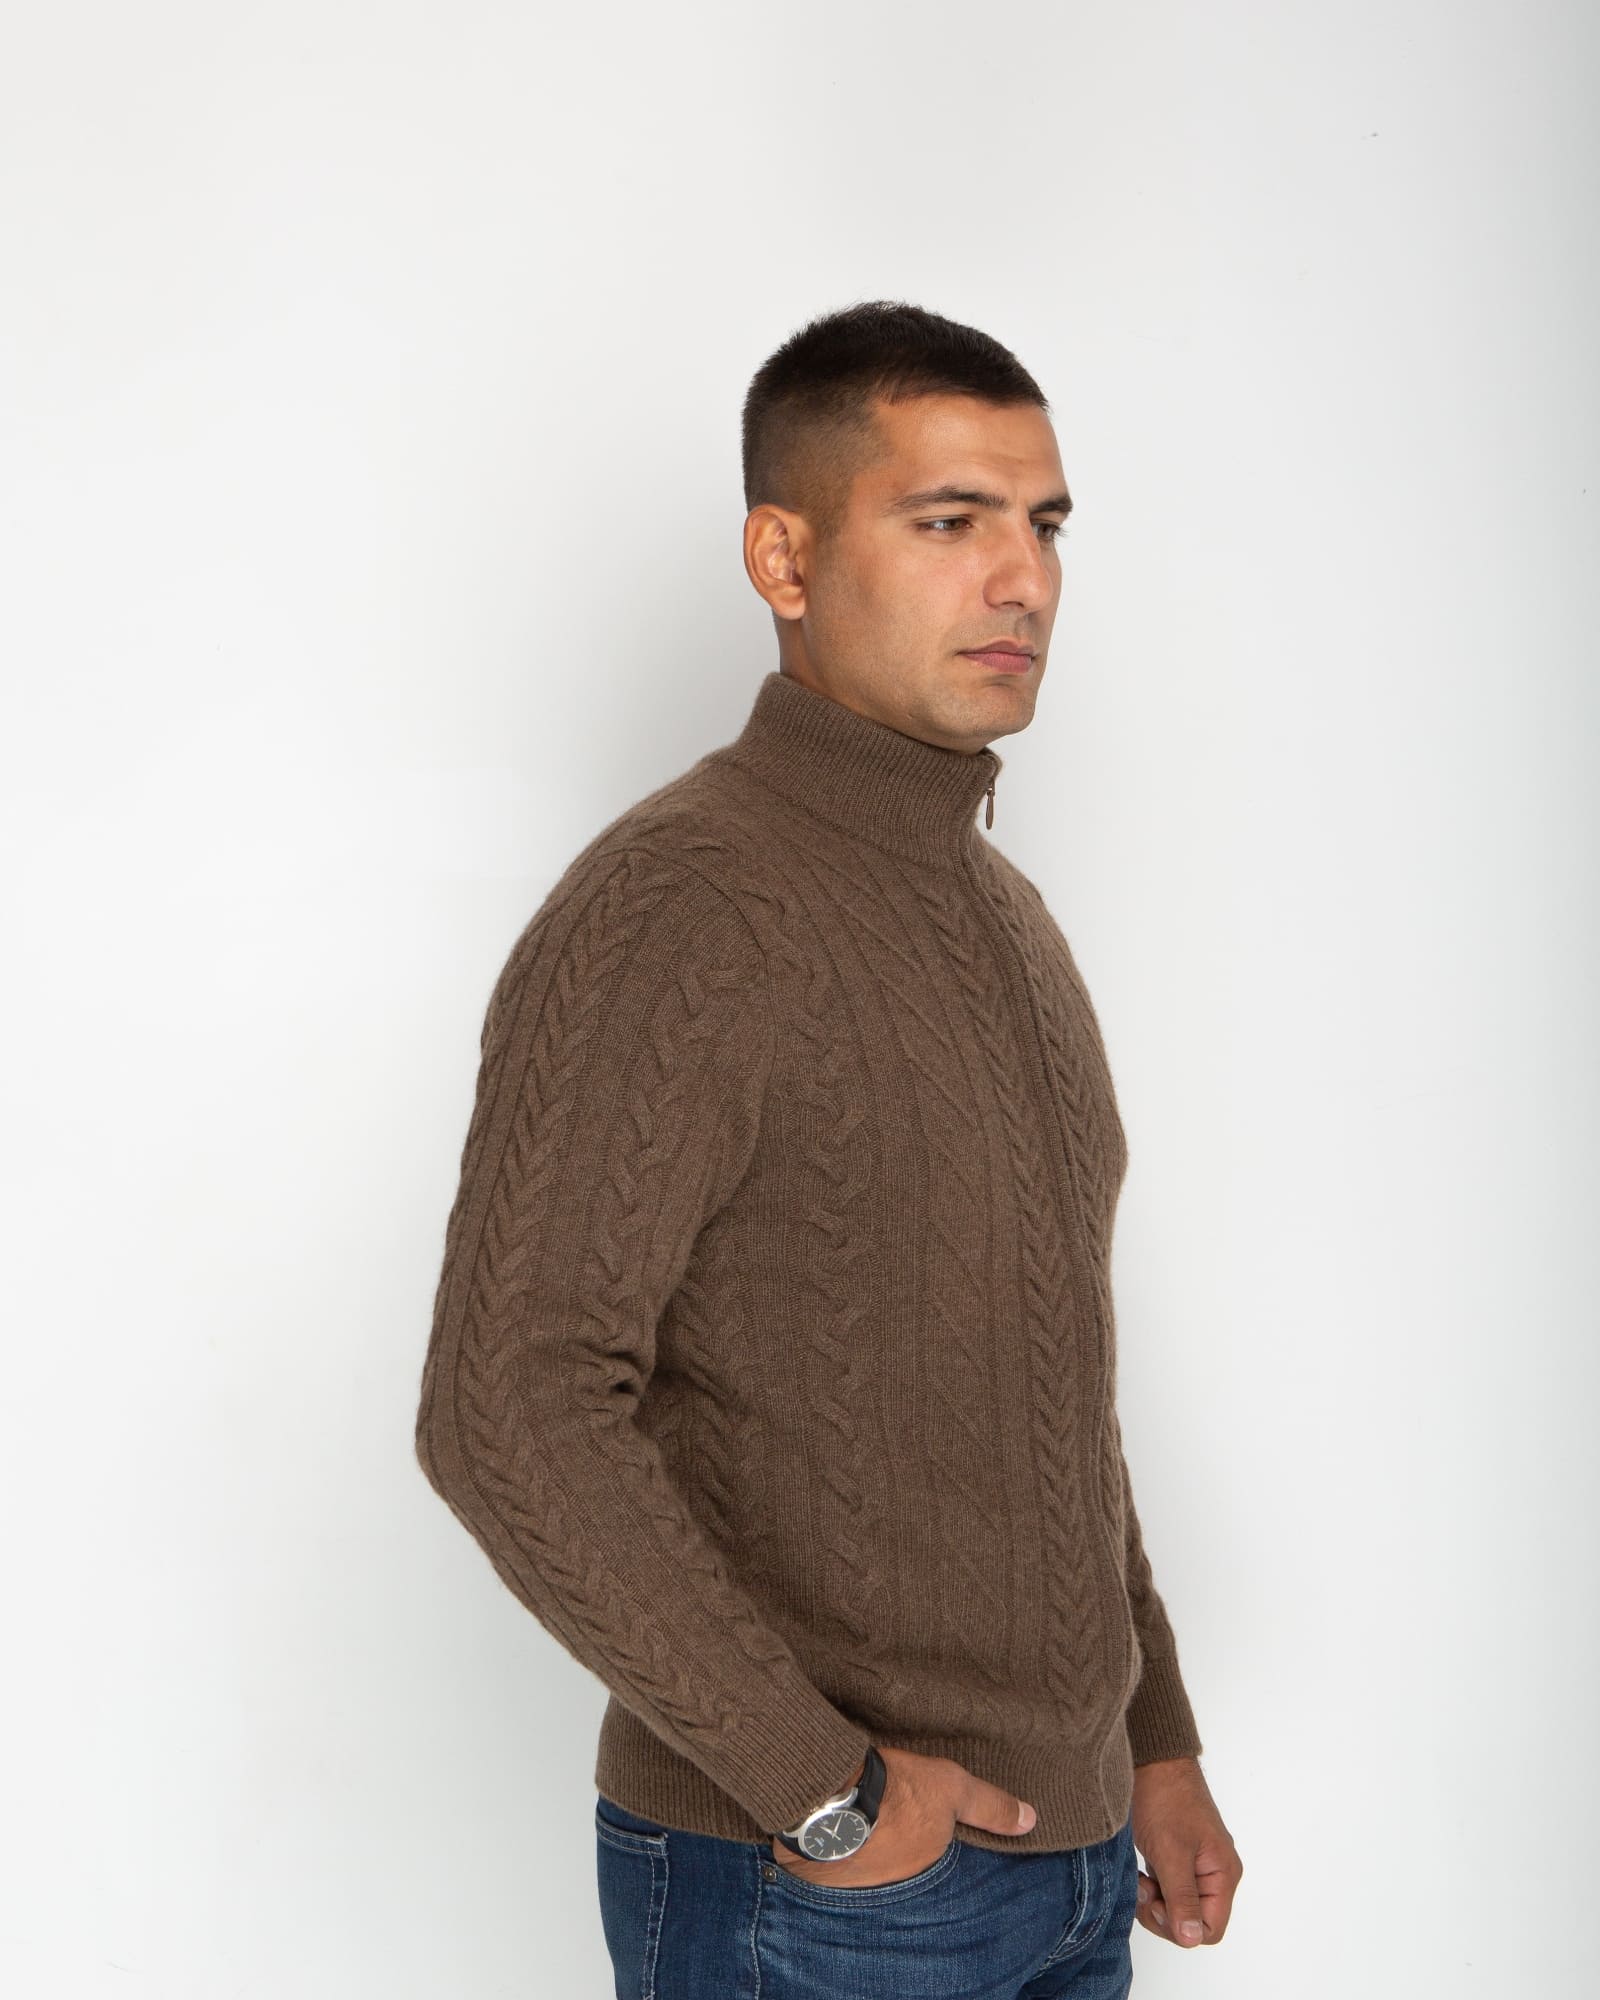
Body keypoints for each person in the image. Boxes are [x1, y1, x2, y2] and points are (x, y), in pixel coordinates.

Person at [413, 299, 1243, 1996]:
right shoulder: (680, 905)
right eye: (948, 521)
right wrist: (827, 1791)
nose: (1021, 578)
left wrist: (1152, 1739)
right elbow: (507, 1405)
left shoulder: (1004, 919)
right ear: (781, 560)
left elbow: (1046, 1384)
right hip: (821, 1890)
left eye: (1044, 525)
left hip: (1074, 1874)